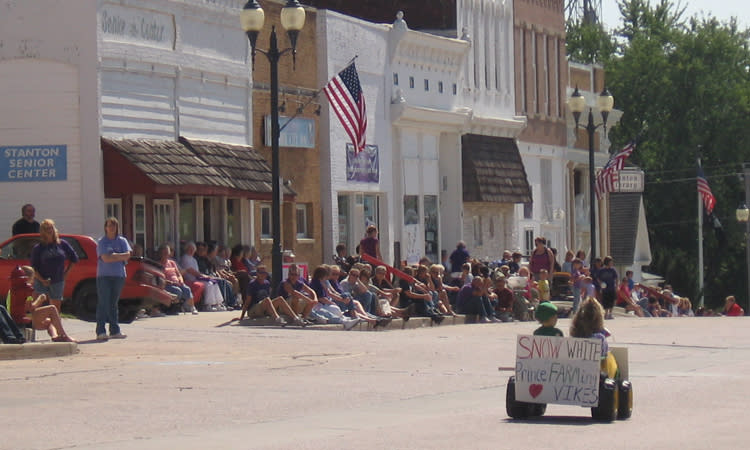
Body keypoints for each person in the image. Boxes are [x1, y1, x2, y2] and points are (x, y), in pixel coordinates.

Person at [30, 219, 79, 313]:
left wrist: (66, 274)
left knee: (56, 308)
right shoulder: (38, 248)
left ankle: (55, 325)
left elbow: (74, 259)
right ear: (42, 231)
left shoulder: (62, 244)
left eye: (51, 228)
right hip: (41, 280)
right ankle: (38, 324)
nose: (49, 230)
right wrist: (42, 280)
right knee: (38, 307)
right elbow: (33, 268)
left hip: (57, 280)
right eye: (46, 228)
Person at [95, 217, 131, 341]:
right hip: (104, 276)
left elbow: (127, 255)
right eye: (109, 226)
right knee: (103, 302)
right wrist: (118, 256)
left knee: (113, 304)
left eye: (114, 226)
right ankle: (100, 331)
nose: (112, 228)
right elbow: (105, 258)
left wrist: (114, 256)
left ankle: (115, 330)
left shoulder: (122, 241)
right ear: (105, 227)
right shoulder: (102, 242)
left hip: (119, 275)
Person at [239, 265, 304, 326]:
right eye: (261, 273)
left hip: (264, 307)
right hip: (253, 309)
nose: (263, 275)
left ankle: (296, 318)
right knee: (267, 300)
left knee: (280, 299)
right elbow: (247, 301)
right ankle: (277, 319)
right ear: (257, 273)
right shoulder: (252, 284)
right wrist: (242, 317)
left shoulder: (267, 283)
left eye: (265, 273)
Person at [157, 243, 198, 315]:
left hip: (177, 283)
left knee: (186, 289)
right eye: (164, 253)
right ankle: (173, 308)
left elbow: (178, 274)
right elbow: (160, 278)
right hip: (167, 284)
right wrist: (170, 282)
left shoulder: (172, 263)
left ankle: (192, 307)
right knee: (177, 291)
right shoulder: (158, 264)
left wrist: (181, 280)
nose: (166, 254)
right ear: (160, 254)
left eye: (167, 253)